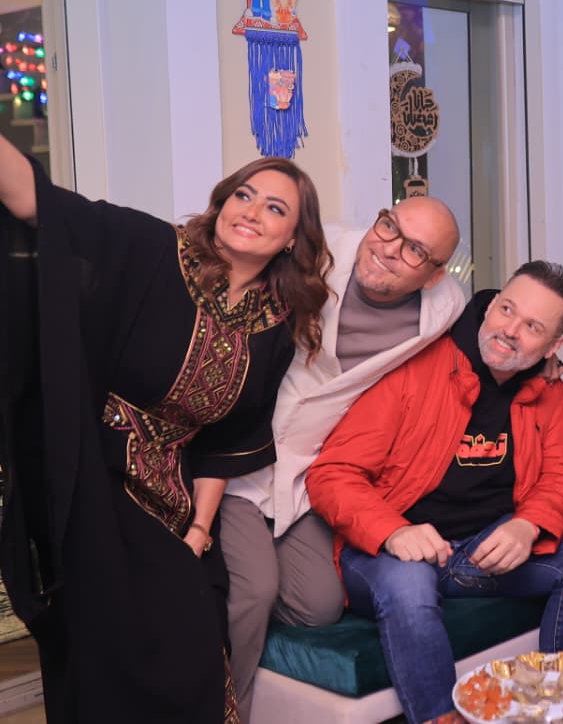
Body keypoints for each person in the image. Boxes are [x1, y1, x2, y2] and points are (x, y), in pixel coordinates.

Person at [0, 132, 332, 724]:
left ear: (292, 239)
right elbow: (36, 201)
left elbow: (227, 444)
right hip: (89, 473)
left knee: (193, 631)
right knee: (107, 642)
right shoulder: (153, 248)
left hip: (172, 492)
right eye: (243, 195)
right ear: (222, 202)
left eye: (274, 208)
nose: (251, 212)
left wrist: (199, 529)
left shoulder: (275, 326)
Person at [306, 261, 563, 724]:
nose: (510, 331)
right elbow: (332, 474)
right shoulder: (414, 369)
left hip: (481, 552)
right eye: (507, 310)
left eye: (533, 327)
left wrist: (529, 524)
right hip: (390, 549)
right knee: (409, 582)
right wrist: (393, 531)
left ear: (554, 346)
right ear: (490, 306)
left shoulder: (548, 391)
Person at [219, 197, 465, 720]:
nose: (390, 248)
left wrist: (541, 365)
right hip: (240, 455)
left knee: (320, 605)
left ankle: (220, 585)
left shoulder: (442, 310)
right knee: (255, 590)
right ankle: (223, 709)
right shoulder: (317, 252)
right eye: (389, 226)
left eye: (415, 250)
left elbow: (492, 330)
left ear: (435, 275)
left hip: (308, 471)